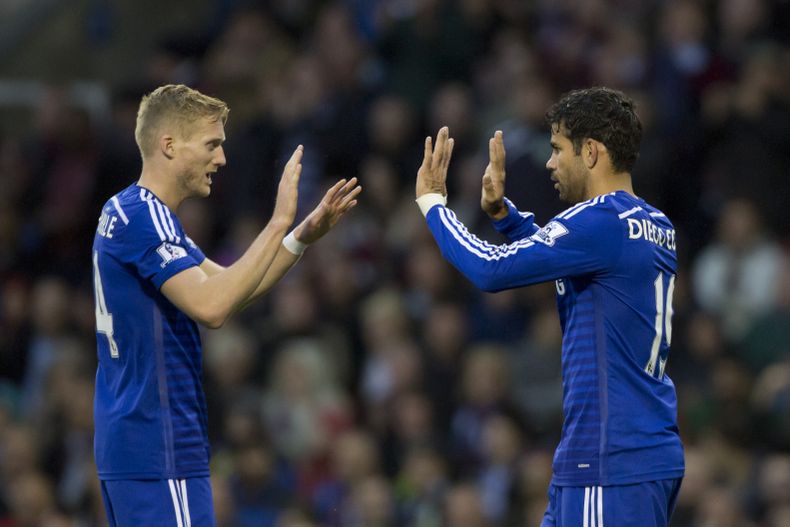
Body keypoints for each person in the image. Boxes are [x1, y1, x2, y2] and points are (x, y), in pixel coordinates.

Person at [91, 84, 361, 526]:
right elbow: (214, 307)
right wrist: (277, 222)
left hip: (135, 443)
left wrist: (299, 237)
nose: (221, 159)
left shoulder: (130, 211)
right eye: (212, 145)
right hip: (160, 445)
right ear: (170, 145)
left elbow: (230, 287)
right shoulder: (146, 217)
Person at [415, 87, 684, 527]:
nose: (549, 163)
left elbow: (491, 270)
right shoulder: (652, 223)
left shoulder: (597, 221)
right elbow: (568, 259)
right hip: (627, 453)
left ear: (592, 152)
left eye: (558, 149)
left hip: (608, 459)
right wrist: (505, 216)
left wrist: (433, 205)